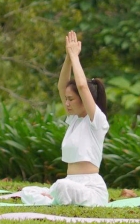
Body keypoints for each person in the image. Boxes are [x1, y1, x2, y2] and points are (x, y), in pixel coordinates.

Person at [20, 31, 110, 206]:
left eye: (71, 99)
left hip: (90, 188)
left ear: (83, 100)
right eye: (66, 99)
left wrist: (75, 57)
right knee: (27, 191)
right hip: (70, 183)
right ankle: (54, 199)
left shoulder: (97, 121)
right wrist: (68, 57)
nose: (66, 103)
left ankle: (54, 199)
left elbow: (82, 86)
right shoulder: (74, 120)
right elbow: (62, 86)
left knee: (61, 186)